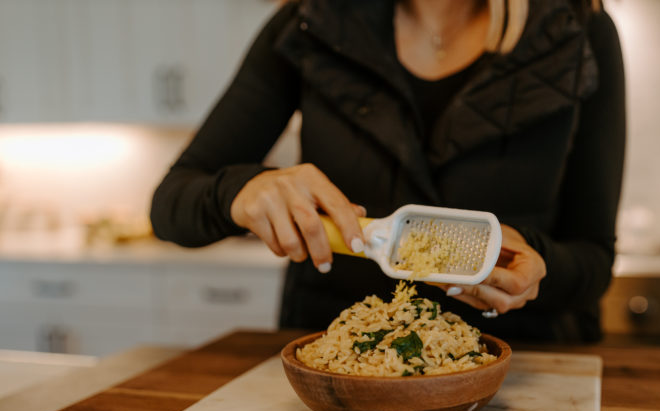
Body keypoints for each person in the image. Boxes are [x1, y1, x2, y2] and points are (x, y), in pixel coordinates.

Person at [150, 0, 625, 343]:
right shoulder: (309, 23)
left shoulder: (578, 29)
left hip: (522, 370)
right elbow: (171, 203)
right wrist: (242, 190)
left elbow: (593, 256)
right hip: (335, 365)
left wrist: (537, 262)